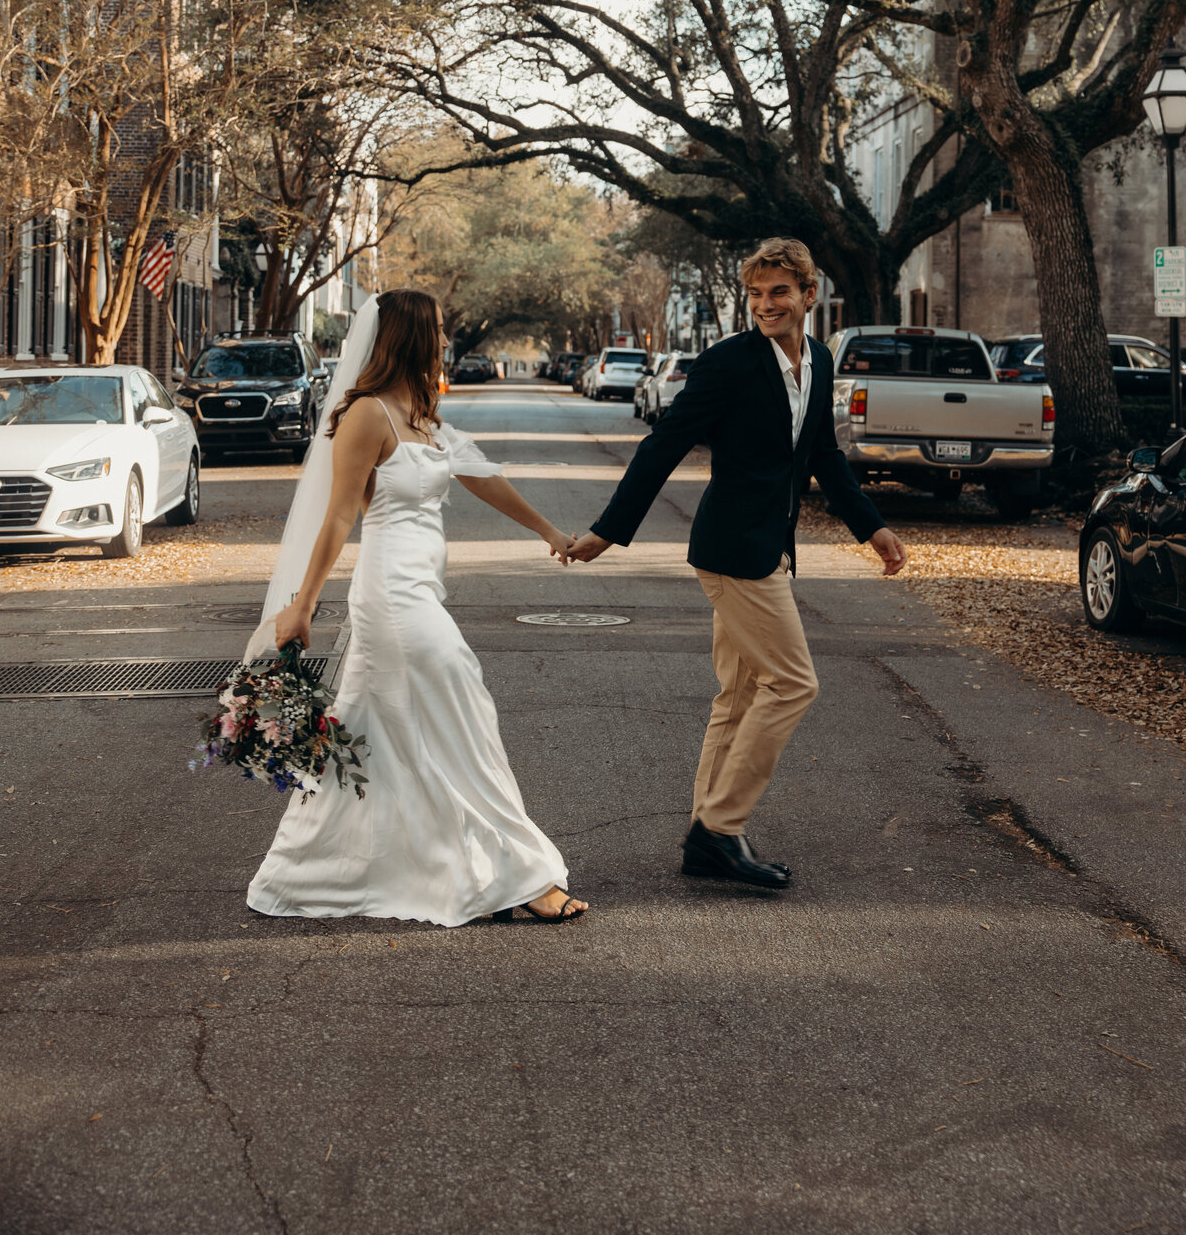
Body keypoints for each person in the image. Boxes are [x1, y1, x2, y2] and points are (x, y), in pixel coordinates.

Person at [568, 237, 907, 889]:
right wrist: (609, 531)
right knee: (794, 683)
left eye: (778, 292)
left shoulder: (820, 361)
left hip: (769, 545)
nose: (765, 305)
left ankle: (708, 836)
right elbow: (664, 443)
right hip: (733, 553)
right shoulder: (727, 362)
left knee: (743, 692)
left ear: (810, 295)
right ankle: (720, 829)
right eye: (755, 294)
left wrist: (874, 528)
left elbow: (823, 459)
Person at [246, 289, 588, 926]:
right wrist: (303, 606)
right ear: (410, 337)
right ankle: (519, 875)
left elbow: (481, 475)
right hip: (391, 596)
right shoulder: (367, 415)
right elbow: (340, 515)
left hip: (423, 588)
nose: (443, 342)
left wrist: (548, 532)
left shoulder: (423, 411)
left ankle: (308, 869)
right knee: (463, 708)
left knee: (378, 734)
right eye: (434, 331)